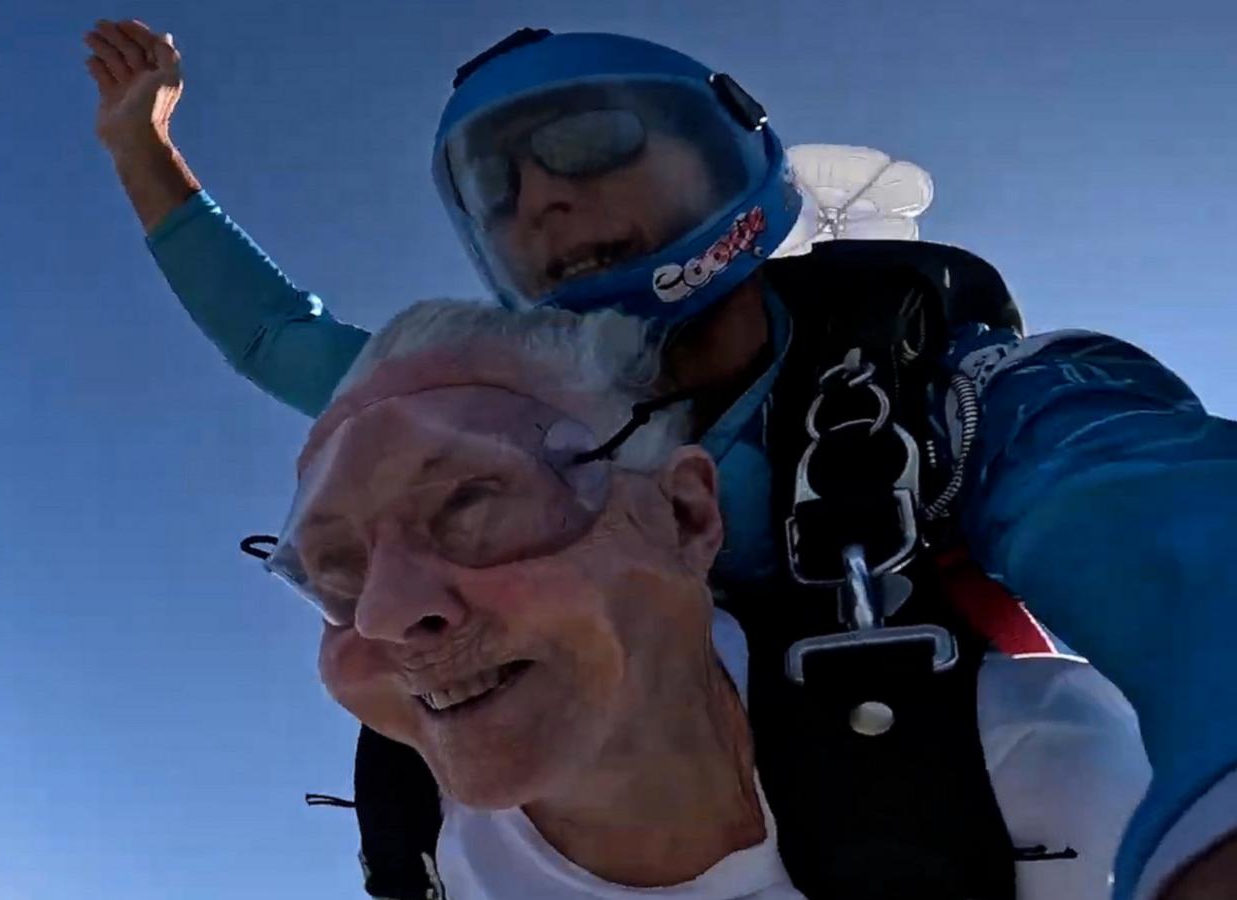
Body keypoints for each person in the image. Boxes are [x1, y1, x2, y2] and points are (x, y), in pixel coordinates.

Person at [83, 20, 1237, 899]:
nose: (541, 201)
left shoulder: (943, 385)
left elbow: (1155, 511)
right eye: (499, 192)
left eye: (587, 143)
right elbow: (276, 337)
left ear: (720, 148)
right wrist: (139, 145)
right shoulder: (485, 412)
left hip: (923, 795)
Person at [244, 297, 1147, 900]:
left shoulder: (1029, 772)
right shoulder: (416, 829)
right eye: (333, 572)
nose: (384, 615)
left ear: (684, 515)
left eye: (472, 505)